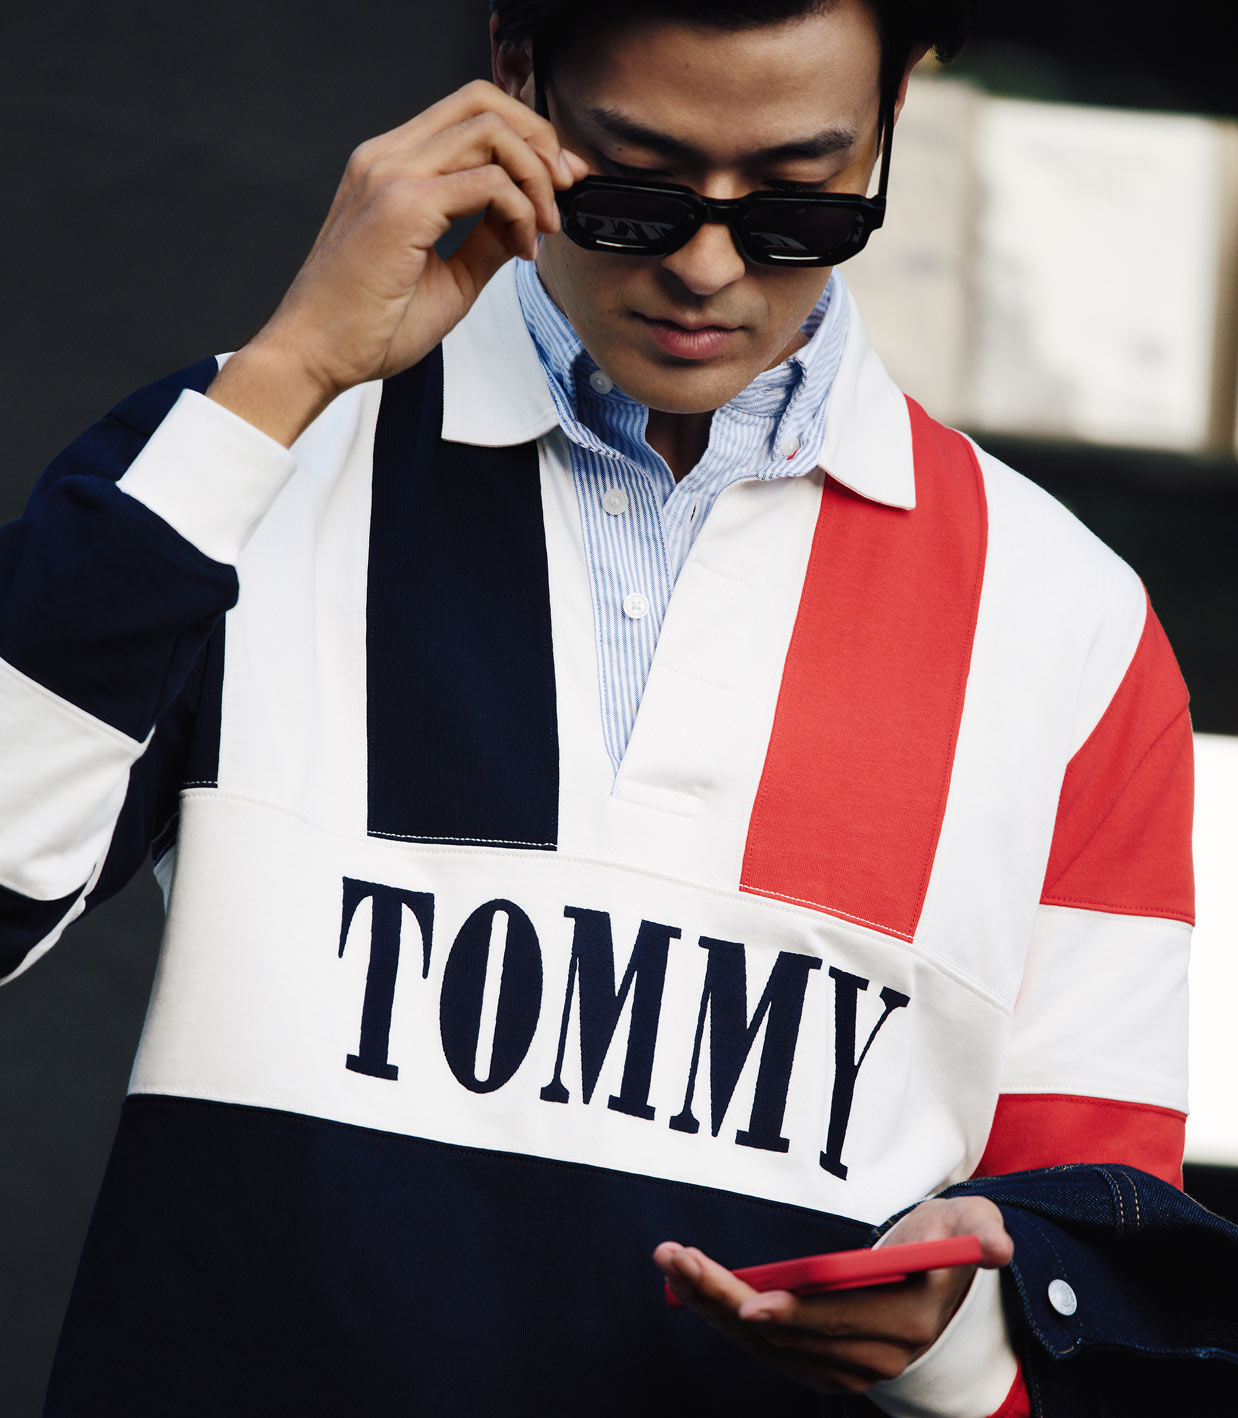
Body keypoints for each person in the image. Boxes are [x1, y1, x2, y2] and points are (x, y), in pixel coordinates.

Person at [1, 0, 1234, 1413]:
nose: (706, 268)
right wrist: (287, 375)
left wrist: (957, 1330)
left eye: (794, 206)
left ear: (896, 113)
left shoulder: (1067, 621)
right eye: (635, 188)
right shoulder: (246, 453)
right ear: (514, 78)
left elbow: (1092, 1240)